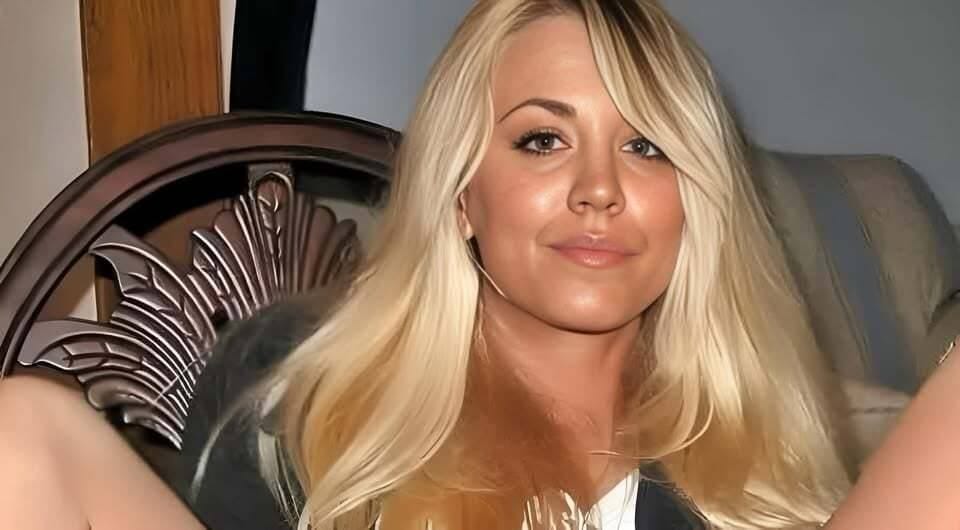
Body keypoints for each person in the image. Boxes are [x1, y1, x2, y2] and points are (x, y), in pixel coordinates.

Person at [2, 0, 940, 528]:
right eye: (542, 140)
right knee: (23, 428)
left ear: (695, 200)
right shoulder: (305, 399)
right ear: (459, 194)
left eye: (648, 146)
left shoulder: (756, 437)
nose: (600, 190)